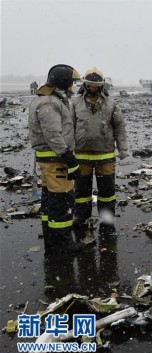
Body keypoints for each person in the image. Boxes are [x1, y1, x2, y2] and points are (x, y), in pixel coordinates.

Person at [28, 64, 85, 254]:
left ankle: (52, 240)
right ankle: (63, 245)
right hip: (56, 162)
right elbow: (53, 134)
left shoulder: (49, 100)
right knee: (61, 202)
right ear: (63, 82)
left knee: (49, 202)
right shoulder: (49, 103)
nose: (73, 87)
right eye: (71, 83)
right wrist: (69, 158)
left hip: (49, 161)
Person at [72, 67, 128, 237]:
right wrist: (66, 151)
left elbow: (119, 127)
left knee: (107, 194)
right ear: (85, 84)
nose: (93, 87)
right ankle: (81, 220)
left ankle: (107, 224)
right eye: (90, 84)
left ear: (102, 86)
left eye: (96, 85)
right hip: (81, 157)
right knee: (81, 194)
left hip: (106, 157)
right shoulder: (75, 103)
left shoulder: (111, 103)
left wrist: (123, 148)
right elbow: (69, 128)